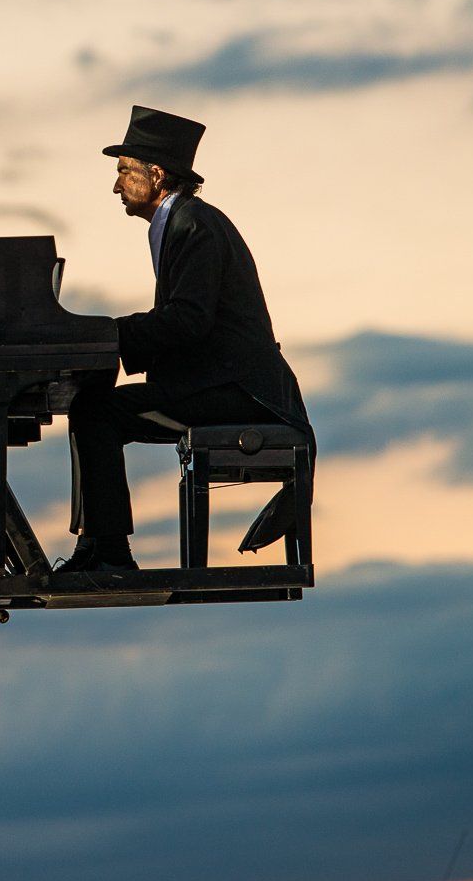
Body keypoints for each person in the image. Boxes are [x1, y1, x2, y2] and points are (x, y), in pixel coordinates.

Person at [58, 106, 313, 573]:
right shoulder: (185, 222)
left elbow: (188, 321)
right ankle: (98, 545)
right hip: (220, 385)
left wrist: (111, 334)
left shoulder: (194, 225)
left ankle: (108, 549)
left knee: (96, 411)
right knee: (92, 407)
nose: (115, 186)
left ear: (156, 175)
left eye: (123, 172)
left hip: (239, 393)